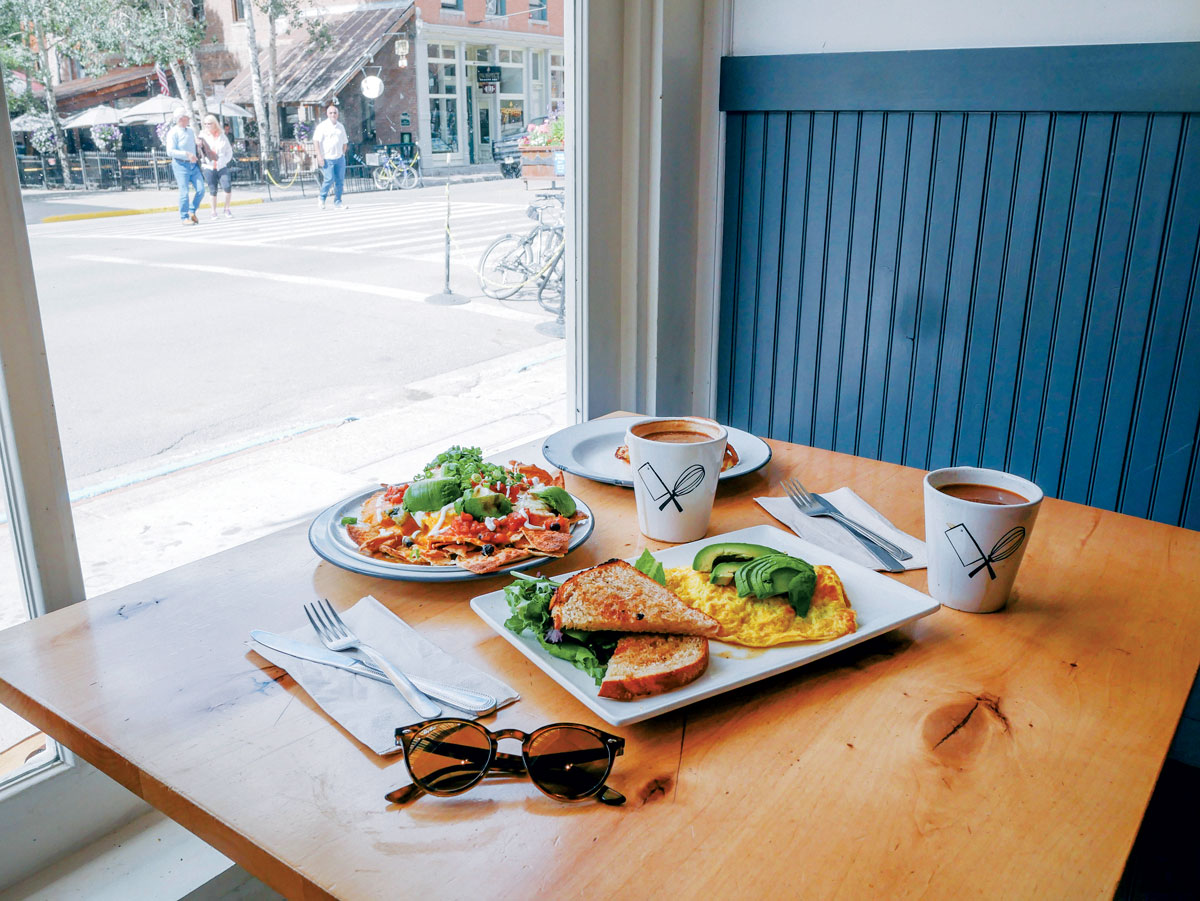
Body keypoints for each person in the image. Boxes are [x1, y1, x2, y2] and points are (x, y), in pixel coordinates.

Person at [165, 108, 205, 226]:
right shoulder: (173, 132)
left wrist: (197, 142)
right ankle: (184, 216)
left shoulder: (190, 131)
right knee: (184, 192)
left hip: (193, 164)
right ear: (181, 119)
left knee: (201, 190)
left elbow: (191, 143)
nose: (189, 119)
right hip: (180, 164)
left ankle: (192, 210)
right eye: (187, 117)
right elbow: (170, 151)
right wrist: (186, 154)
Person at [312, 104, 349, 210]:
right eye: (331, 113)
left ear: (338, 114)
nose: (333, 115)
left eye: (335, 113)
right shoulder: (322, 126)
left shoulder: (340, 126)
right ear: (327, 114)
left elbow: (345, 142)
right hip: (327, 158)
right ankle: (322, 198)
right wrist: (319, 155)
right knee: (329, 179)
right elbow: (316, 141)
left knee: (340, 181)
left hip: (339, 158)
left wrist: (342, 153)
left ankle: (338, 202)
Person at [198, 114, 235, 219]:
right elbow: (200, 151)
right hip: (209, 166)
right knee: (213, 189)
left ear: (215, 124)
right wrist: (203, 161)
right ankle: (213, 211)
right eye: (205, 124)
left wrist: (225, 161)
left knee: (227, 186)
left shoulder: (222, 136)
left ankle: (226, 208)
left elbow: (229, 151)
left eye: (209, 123)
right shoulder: (202, 136)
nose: (207, 126)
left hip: (221, 166)